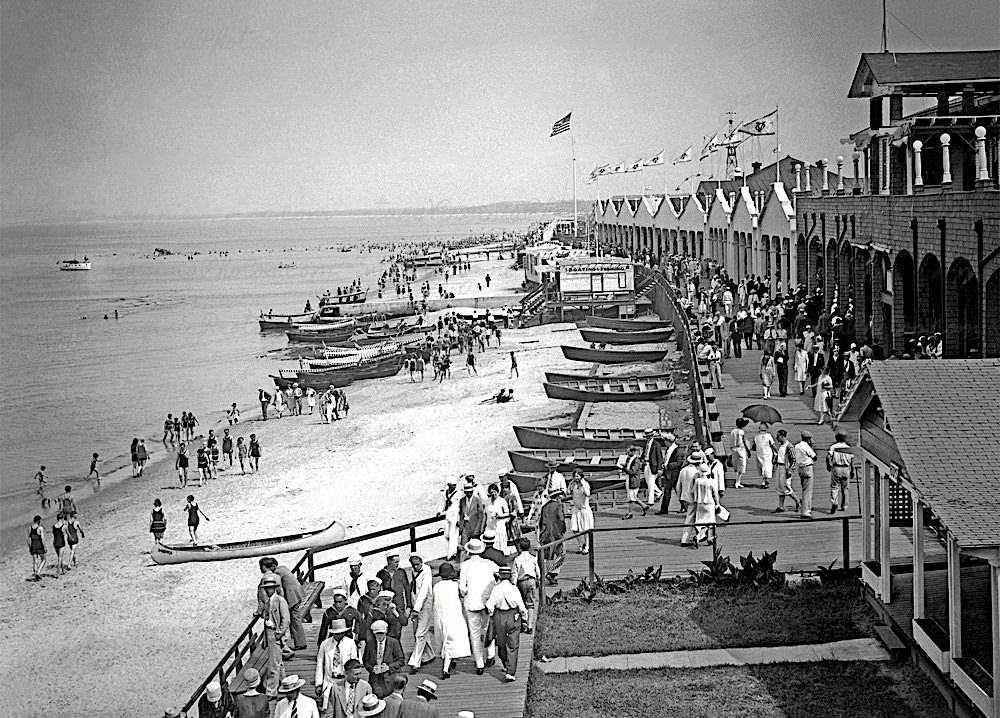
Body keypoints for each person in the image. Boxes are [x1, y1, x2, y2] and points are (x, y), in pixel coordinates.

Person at [457, 538, 496, 674]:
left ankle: (479, 663)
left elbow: (462, 588)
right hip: (487, 601)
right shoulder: (489, 564)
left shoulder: (465, 565)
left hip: (472, 602)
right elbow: (496, 575)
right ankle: (490, 654)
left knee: (474, 634)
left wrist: (466, 590)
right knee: (487, 629)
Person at [486, 565, 527, 682]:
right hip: (513, 615)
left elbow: (489, 605)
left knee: (501, 642)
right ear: (509, 576)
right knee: (513, 645)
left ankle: (505, 662)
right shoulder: (513, 589)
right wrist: (524, 617)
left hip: (499, 615)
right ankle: (510, 671)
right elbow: (521, 606)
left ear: (499, 576)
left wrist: (492, 613)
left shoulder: (496, 589)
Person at [432, 562, 471, 679]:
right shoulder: (455, 585)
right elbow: (464, 592)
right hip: (453, 615)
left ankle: (451, 659)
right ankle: (445, 668)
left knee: (445, 639)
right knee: (451, 640)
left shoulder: (437, 586)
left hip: (440, 616)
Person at [316, 618, 359, 712]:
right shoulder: (325, 644)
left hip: (344, 680)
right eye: (337, 633)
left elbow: (354, 663)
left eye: (341, 633)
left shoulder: (350, 643)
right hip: (330, 680)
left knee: (344, 707)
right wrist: (318, 683)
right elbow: (320, 663)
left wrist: (353, 680)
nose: (339, 635)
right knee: (328, 708)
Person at [261, 573, 291, 698]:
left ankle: (271, 691)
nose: (268, 590)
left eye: (270, 588)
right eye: (266, 588)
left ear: (274, 588)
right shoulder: (269, 601)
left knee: (273, 664)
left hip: (275, 633)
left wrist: (279, 634)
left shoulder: (280, 601)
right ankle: (285, 684)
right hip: (269, 633)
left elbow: (286, 619)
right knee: (278, 661)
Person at [406, 553, 436, 672]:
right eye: (413, 565)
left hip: (425, 606)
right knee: (419, 632)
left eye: (418, 564)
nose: (416, 567)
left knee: (420, 634)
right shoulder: (414, 571)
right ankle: (429, 654)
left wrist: (416, 609)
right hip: (416, 604)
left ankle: (415, 662)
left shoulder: (426, 572)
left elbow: (423, 591)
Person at [363, 619, 405, 698]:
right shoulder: (370, 643)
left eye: (382, 633)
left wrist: (388, 667)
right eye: (377, 634)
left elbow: (401, 660)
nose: (379, 636)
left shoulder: (394, 643)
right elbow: (365, 661)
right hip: (376, 679)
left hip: (391, 677)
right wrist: (372, 669)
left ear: (386, 632)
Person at [538, 488, 566, 586]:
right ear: (557, 497)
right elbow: (561, 518)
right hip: (556, 532)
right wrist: (563, 529)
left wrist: (541, 534)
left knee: (548, 555)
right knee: (561, 554)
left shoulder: (544, 506)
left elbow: (541, 521)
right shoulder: (559, 506)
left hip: (546, 533)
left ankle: (551, 575)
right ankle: (552, 573)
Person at [678, 451, 704, 547]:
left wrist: (680, 498)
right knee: (693, 518)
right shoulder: (696, 472)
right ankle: (687, 538)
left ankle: (698, 535)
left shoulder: (683, 470)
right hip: (694, 498)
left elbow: (678, 486)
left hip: (684, 497)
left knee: (691, 517)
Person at [377, 550, 412, 619]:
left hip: (400, 604)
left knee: (400, 624)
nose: (397, 564)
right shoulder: (381, 574)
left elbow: (407, 589)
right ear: (389, 561)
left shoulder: (401, 572)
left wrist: (409, 606)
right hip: (387, 604)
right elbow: (378, 591)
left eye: (398, 562)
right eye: (395, 562)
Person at [692, 466, 720, 548]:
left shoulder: (697, 481)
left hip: (700, 503)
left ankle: (704, 537)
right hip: (709, 503)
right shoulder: (711, 481)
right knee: (710, 522)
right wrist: (717, 503)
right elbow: (715, 493)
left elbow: (693, 491)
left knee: (701, 521)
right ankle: (704, 537)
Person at [773, 429, 800, 513]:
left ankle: (798, 501)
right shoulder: (781, 445)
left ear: (782, 436)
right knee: (779, 487)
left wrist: (791, 470)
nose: (777, 438)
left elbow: (793, 459)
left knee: (785, 486)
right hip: (779, 467)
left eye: (778, 436)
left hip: (785, 468)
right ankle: (781, 506)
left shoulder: (789, 446)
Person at [827, 431, 854, 514]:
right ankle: (844, 506)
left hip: (836, 467)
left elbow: (828, 457)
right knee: (845, 488)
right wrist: (852, 470)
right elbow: (852, 461)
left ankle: (834, 502)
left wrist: (828, 465)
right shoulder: (848, 447)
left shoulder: (833, 447)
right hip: (846, 468)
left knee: (834, 487)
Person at [792, 431, 818, 519]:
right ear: (808, 439)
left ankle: (805, 509)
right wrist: (812, 447)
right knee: (807, 491)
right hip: (807, 468)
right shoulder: (806, 446)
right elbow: (814, 457)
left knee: (804, 489)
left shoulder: (797, 446)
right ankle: (805, 512)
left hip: (800, 468)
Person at [568, 471, 593, 555]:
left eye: (578, 476)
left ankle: (587, 547)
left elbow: (588, 494)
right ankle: (581, 544)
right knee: (574, 528)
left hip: (584, 509)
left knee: (585, 529)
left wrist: (582, 483)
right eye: (575, 476)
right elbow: (568, 492)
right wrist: (571, 483)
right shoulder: (574, 485)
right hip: (576, 509)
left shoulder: (585, 484)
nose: (576, 478)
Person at [483, 484, 511, 555]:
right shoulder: (487, 501)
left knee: (499, 543)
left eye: (495, 492)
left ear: (497, 491)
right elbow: (485, 514)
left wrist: (500, 516)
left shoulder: (502, 500)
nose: (493, 494)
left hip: (499, 524)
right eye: (491, 492)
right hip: (489, 525)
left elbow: (507, 513)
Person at [641, 428, 665, 508]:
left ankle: (650, 501)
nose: (648, 437)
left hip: (653, 465)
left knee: (651, 483)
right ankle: (659, 492)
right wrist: (642, 459)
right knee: (648, 482)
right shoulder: (646, 444)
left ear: (652, 436)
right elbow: (644, 453)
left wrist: (659, 468)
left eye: (649, 436)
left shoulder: (656, 444)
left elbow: (659, 457)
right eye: (647, 436)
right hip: (646, 464)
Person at [458, 480, 486, 545]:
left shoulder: (477, 499)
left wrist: (479, 529)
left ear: (472, 491)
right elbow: (461, 515)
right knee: (463, 546)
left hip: (475, 527)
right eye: (467, 492)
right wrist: (461, 528)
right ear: (465, 492)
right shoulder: (462, 500)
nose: (469, 494)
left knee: (475, 547)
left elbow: (481, 515)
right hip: (465, 528)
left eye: (470, 492)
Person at [729, 418, 751, 488]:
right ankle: (737, 482)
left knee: (736, 465)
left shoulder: (733, 431)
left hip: (733, 449)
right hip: (740, 449)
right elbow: (744, 442)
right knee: (742, 465)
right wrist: (748, 451)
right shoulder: (742, 432)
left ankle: (737, 481)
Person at [753, 422, 776, 489]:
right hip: (767, 453)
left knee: (763, 467)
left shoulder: (756, 436)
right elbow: (773, 445)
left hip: (759, 453)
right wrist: (777, 451)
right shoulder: (768, 435)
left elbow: (753, 446)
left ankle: (764, 481)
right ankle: (764, 482)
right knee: (767, 467)